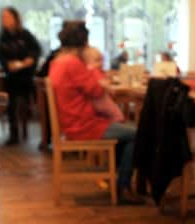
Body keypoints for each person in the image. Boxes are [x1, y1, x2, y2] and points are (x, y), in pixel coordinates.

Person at [48, 21, 142, 204]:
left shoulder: (57, 62)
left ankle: (114, 179)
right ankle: (122, 185)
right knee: (137, 134)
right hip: (84, 125)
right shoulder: (72, 63)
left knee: (124, 131)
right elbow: (97, 91)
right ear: (84, 42)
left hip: (72, 122)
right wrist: (93, 67)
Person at [0, 7, 42, 145]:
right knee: (10, 99)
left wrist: (29, 61)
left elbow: (36, 50)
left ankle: (43, 132)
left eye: (8, 17)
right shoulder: (2, 38)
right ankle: (14, 133)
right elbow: (1, 57)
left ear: (15, 18)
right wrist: (8, 65)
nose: (5, 20)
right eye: (3, 17)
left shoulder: (25, 35)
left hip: (27, 75)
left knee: (36, 96)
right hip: (11, 76)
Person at [82, 46, 124, 123]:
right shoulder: (93, 70)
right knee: (117, 113)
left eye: (102, 60)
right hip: (100, 100)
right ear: (87, 62)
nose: (101, 63)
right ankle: (118, 124)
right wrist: (110, 88)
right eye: (97, 60)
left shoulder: (89, 70)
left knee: (106, 115)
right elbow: (102, 82)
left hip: (94, 101)